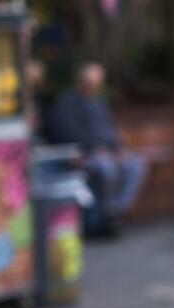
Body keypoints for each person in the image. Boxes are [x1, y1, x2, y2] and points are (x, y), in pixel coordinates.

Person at [46, 61, 148, 234]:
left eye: (96, 83)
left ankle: (118, 209)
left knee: (136, 165)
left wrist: (118, 148)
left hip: (108, 152)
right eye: (90, 83)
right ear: (81, 82)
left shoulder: (99, 103)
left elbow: (110, 129)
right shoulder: (67, 104)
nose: (93, 87)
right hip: (86, 154)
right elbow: (66, 133)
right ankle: (105, 215)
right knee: (105, 168)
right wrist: (94, 149)